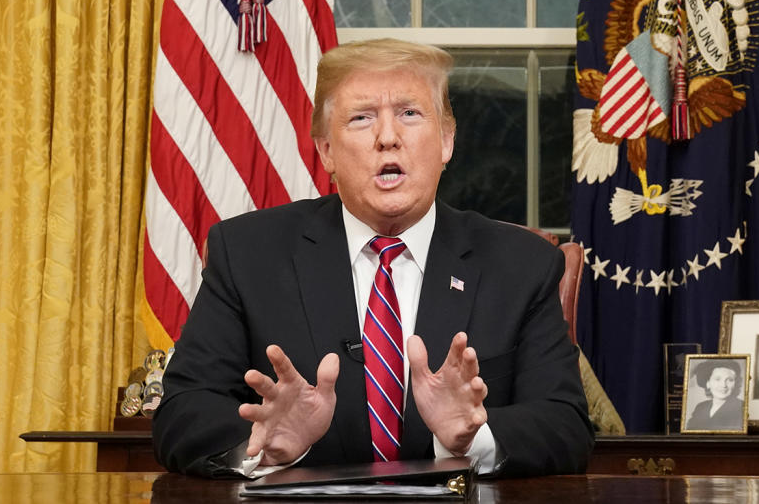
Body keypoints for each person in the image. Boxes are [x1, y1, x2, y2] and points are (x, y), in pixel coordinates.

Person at [151, 38, 594, 478]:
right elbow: (181, 415)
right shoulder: (248, 254)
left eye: (409, 113)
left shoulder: (522, 265)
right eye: (362, 118)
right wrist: (268, 446)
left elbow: (565, 425)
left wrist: (471, 437)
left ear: (446, 141)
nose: (387, 137)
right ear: (326, 151)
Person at [685, 359, 745, 431]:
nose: (723, 385)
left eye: (729, 380)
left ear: (735, 384)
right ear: (708, 383)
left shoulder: (742, 408)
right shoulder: (700, 407)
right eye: (717, 379)